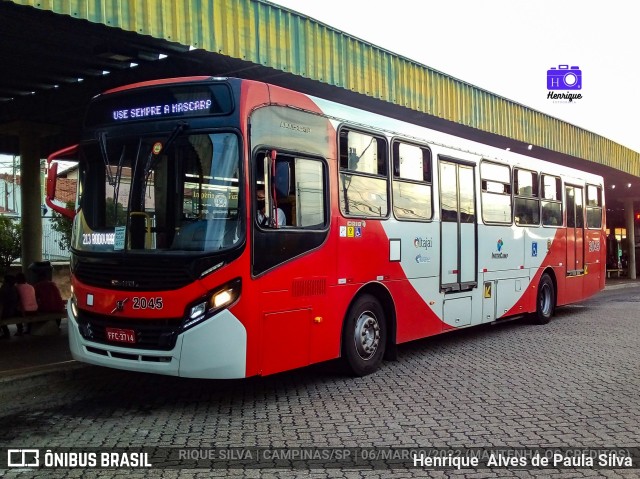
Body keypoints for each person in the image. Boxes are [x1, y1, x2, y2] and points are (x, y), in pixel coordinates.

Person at [0, 274, 19, 339]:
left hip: (7, 312)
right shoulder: (14, 288)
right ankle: (6, 333)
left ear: (6, 281)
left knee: (2, 316)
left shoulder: (4, 288)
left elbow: (2, 303)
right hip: (14, 311)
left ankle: (6, 333)